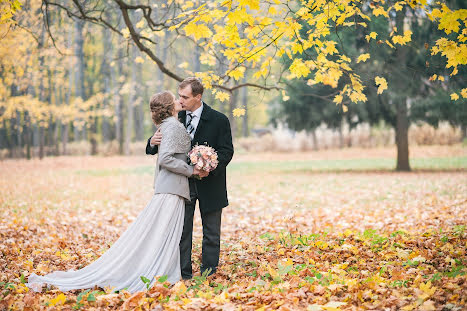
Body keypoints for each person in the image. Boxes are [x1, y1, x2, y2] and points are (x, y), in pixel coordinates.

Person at [27, 91, 204, 293]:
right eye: (174, 98)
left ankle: (157, 267)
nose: (178, 100)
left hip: (171, 188)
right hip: (171, 188)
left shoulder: (168, 125)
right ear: (169, 106)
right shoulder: (172, 125)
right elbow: (165, 159)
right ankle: (153, 269)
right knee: (160, 232)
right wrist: (192, 170)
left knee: (160, 232)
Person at [146, 77, 234, 279]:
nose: (180, 100)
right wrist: (151, 142)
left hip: (211, 183)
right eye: (179, 96)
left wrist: (209, 166)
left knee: (212, 232)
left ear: (198, 96)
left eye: (185, 97)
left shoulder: (219, 120)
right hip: (182, 184)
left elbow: (227, 151)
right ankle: (183, 273)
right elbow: (159, 147)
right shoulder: (175, 117)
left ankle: (209, 274)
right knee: (182, 231)